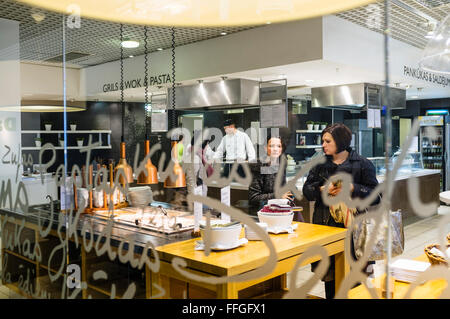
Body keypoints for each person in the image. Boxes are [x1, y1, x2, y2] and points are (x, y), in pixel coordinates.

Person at [302, 123, 379, 299]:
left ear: (341, 141)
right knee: (330, 281)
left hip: (355, 233)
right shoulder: (319, 164)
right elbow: (307, 192)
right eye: (323, 141)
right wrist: (322, 189)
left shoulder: (361, 164)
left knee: (356, 283)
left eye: (327, 141)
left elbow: (376, 196)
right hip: (326, 229)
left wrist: (353, 188)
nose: (323, 145)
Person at [249, 136, 300, 218]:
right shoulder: (258, 167)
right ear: (266, 148)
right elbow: (254, 198)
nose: (275, 149)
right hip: (262, 214)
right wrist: (278, 195)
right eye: (272, 146)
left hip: (279, 211)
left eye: (278, 146)